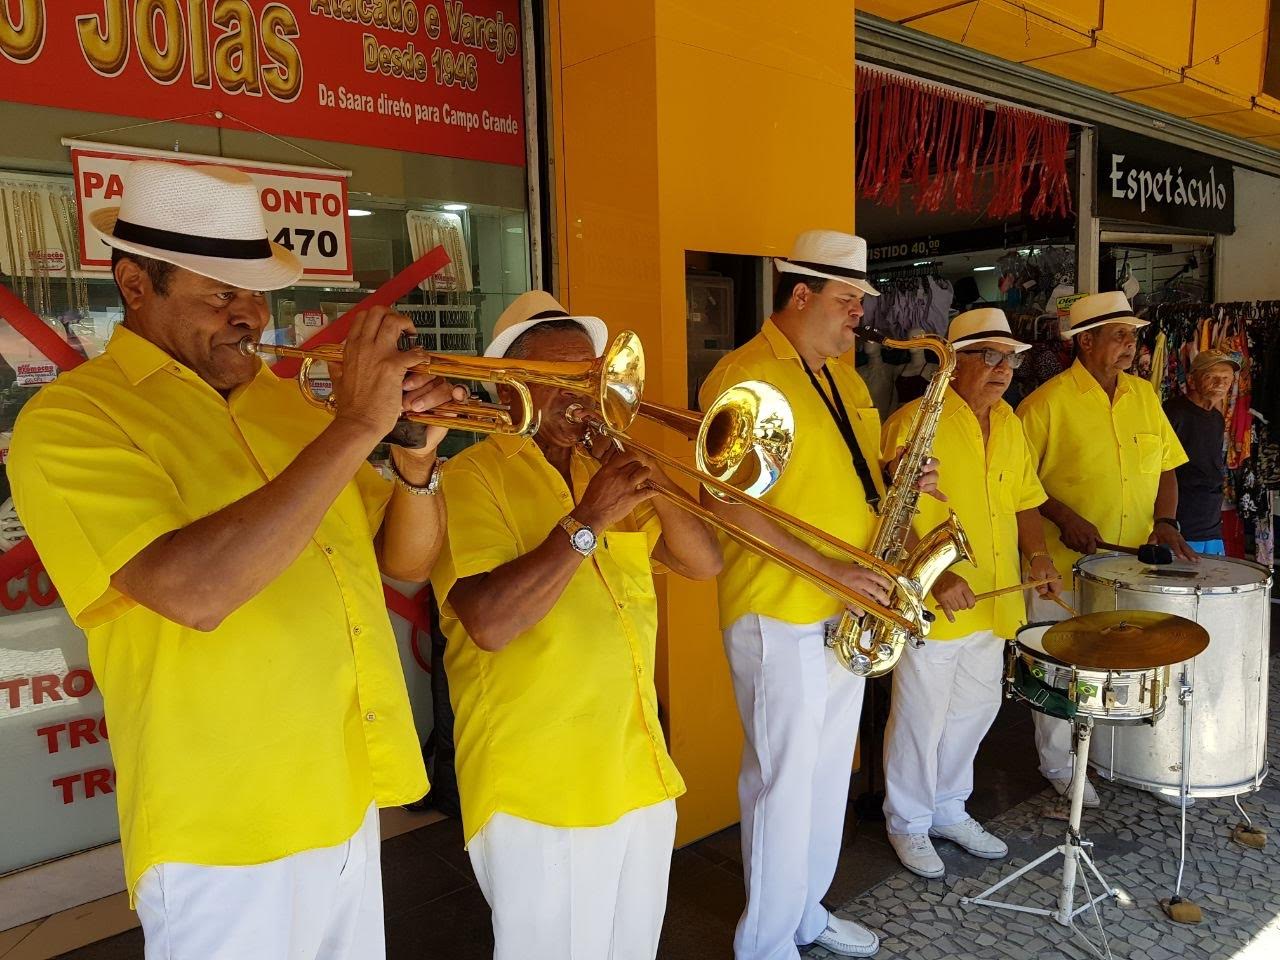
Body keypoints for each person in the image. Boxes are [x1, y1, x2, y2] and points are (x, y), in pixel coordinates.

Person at [8, 160, 461, 959]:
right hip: (221, 829)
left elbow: (405, 564)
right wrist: (355, 428)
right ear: (134, 283)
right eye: (220, 292)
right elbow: (195, 592)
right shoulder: (72, 420)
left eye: (257, 293)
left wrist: (418, 465)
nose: (249, 316)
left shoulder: (293, 405)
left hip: (347, 797)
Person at [430, 291, 722, 960]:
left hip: (637, 772)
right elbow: (490, 623)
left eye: (591, 377)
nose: (584, 394)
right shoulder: (469, 477)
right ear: (508, 388)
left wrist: (649, 473)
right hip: (541, 789)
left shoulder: (605, 470)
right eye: (562, 380)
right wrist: (589, 519)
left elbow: (704, 563)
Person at [699, 230, 939, 960]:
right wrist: (830, 571)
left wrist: (898, 479)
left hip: (845, 613)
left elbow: (845, 483)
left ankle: (805, 915)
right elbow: (726, 506)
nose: (857, 316)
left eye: (859, 303)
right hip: (781, 612)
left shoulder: (843, 379)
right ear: (799, 295)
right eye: (846, 301)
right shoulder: (745, 375)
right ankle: (765, 945)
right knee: (782, 785)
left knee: (829, 778)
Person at [881, 309, 1061, 879]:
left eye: (1009, 358)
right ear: (953, 361)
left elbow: (1025, 501)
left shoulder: (1009, 422)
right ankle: (906, 821)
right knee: (921, 715)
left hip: (995, 599)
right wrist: (932, 572)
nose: (1002, 369)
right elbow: (893, 508)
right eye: (988, 355)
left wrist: (1038, 556)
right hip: (936, 598)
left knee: (976, 710)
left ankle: (947, 808)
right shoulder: (915, 420)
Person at [1016, 291, 1190, 804]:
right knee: (1058, 664)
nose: (1130, 345)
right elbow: (1016, 483)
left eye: (1132, 335)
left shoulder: (1144, 395)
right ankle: (1059, 766)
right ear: (1084, 341)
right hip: (1060, 565)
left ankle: (1122, 758)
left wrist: (1165, 521)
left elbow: (1166, 467)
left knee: (1126, 659)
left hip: (1130, 563)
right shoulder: (1044, 404)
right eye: (1119, 335)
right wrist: (1062, 515)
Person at [1163, 349, 1240, 556]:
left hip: (1210, 523)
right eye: (1211, 376)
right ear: (1192, 380)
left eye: (1226, 378)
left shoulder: (1216, 417)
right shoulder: (1173, 413)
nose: (1220, 383)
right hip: (1181, 524)